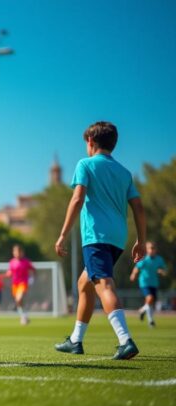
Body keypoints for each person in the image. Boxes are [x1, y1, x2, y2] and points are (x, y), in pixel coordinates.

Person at [54, 121, 146, 360]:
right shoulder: (124, 173)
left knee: (104, 284)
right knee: (84, 283)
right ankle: (76, 340)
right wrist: (141, 240)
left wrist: (63, 234)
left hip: (96, 236)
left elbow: (77, 200)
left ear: (90, 142)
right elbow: (138, 207)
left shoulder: (85, 164)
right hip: (118, 238)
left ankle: (125, 340)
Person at [130, 241, 167, 328]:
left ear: (156, 249)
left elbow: (164, 271)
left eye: (153, 248)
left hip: (154, 283)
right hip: (144, 282)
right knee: (150, 298)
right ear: (147, 250)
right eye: (150, 248)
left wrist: (162, 271)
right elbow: (137, 267)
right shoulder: (144, 259)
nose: (151, 250)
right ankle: (151, 321)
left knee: (150, 303)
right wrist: (133, 274)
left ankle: (142, 310)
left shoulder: (159, 259)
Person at [5, 244, 35, 325]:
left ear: (22, 252)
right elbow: (10, 272)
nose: (17, 253)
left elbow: (32, 270)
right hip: (15, 284)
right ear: (13, 252)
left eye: (19, 252)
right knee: (19, 302)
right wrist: (7, 274)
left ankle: (23, 317)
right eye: (16, 252)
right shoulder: (12, 262)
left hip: (23, 283)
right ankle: (24, 316)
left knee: (19, 299)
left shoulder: (26, 262)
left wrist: (32, 278)